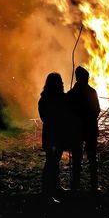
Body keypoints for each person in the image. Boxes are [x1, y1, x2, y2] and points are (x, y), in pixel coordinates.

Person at [67, 66, 101, 192]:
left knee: (79, 158)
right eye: (86, 77)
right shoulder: (91, 92)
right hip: (88, 130)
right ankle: (93, 186)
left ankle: (76, 186)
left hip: (79, 130)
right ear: (82, 78)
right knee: (89, 158)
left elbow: (68, 111)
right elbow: (97, 110)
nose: (87, 79)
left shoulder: (72, 93)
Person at [38, 72, 69, 202]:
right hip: (52, 134)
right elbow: (45, 117)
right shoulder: (47, 99)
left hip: (56, 134)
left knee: (54, 162)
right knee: (51, 162)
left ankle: (56, 187)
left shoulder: (55, 98)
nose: (62, 83)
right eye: (60, 81)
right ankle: (46, 192)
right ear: (55, 84)